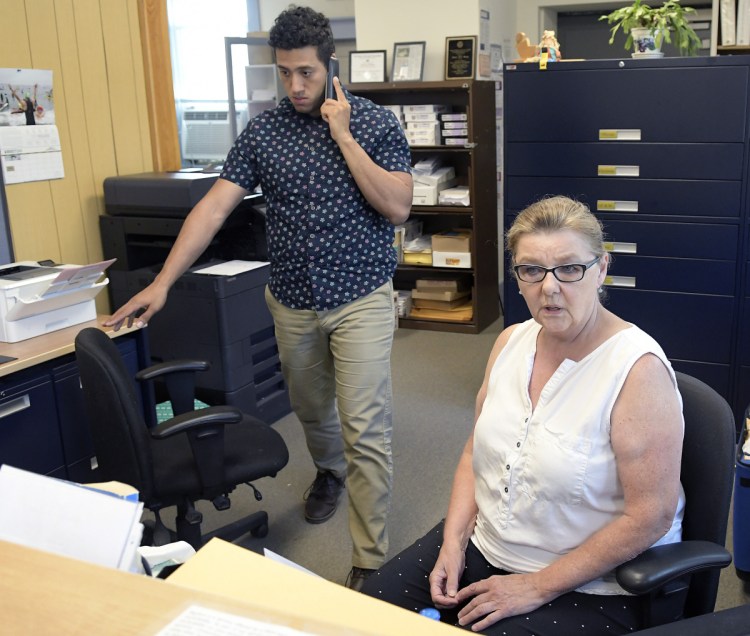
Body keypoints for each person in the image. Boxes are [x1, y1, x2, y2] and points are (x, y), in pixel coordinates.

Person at [104, 6, 412, 590]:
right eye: (285, 73)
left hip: (361, 296)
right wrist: (163, 281)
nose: (295, 86)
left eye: (307, 74)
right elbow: (214, 206)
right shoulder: (265, 132)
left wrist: (342, 134)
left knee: (366, 426)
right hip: (293, 299)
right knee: (311, 408)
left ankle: (370, 563)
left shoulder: (373, 123)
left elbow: (397, 207)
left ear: (330, 67)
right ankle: (328, 472)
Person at [361, 196, 685, 635]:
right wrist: (453, 543)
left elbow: (651, 516)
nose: (549, 288)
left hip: (588, 583)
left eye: (570, 268)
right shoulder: (510, 342)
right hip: (486, 544)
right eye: (532, 270)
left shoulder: (637, 371)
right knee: (360, 615)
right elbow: (477, 449)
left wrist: (536, 586)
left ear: (602, 268)